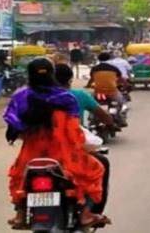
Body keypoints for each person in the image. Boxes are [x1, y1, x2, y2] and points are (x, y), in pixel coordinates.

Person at [4, 59, 109, 228]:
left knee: (21, 178)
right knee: (97, 169)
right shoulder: (66, 98)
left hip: (31, 156)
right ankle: (85, 214)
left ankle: (20, 214)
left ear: (29, 75)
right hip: (64, 157)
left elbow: (14, 129)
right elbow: (74, 133)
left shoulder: (20, 97)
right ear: (52, 75)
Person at [54, 64, 113, 215]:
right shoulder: (77, 96)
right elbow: (103, 115)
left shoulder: (34, 96)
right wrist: (111, 123)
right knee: (101, 165)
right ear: (69, 80)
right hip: (71, 149)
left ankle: (20, 211)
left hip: (41, 151)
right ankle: (91, 212)